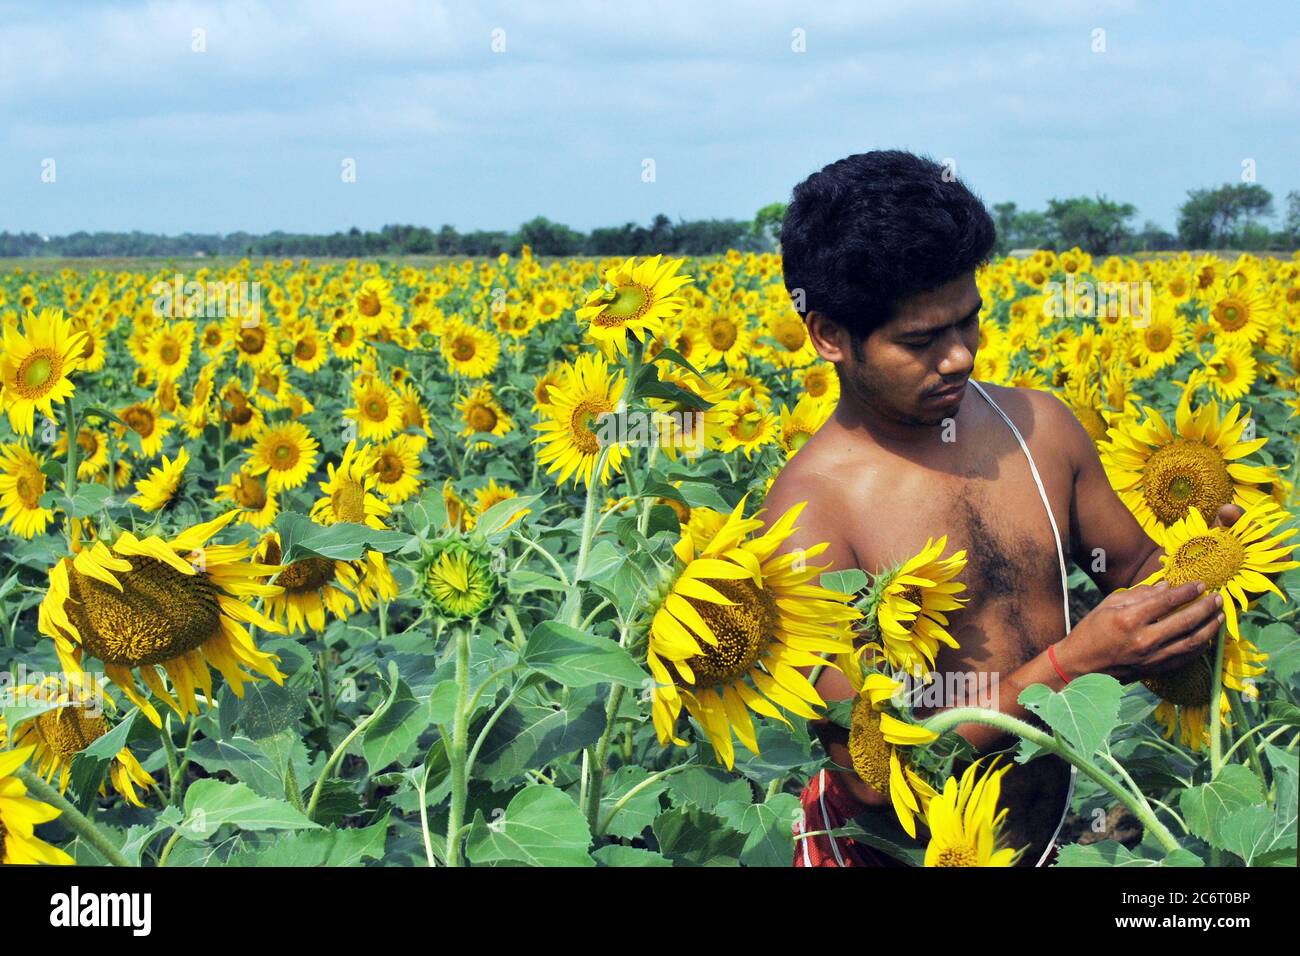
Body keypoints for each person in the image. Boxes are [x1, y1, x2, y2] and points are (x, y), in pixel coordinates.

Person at [764, 150, 1229, 867]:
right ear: (828, 335)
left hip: (1053, 836)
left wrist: (1211, 564)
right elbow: (871, 773)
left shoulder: (1039, 430)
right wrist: (1072, 668)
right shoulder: (811, 515)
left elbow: (1135, 567)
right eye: (920, 340)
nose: (959, 358)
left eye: (968, 323)